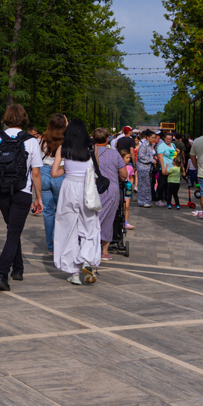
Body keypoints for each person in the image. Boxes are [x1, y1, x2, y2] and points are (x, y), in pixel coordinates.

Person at [0, 104, 43, 291]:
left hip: (1, 190)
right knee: (14, 231)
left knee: (13, 229)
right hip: (22, 191)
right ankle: (2, 273)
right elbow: (35, 172)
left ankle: (18, 268)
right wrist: (39, 197)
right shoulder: (32, 141)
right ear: (24, 118)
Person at [52, 118, 100, 285]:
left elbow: (53, 173)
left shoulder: (63, 148)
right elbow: (95, 169)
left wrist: (66, 169)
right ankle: (87, 260)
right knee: (90, 226)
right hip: (86, 188)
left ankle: (73, 273)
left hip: (68, 188)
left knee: (68, 229)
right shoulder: (90, 149)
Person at [92, 128, 127, 261]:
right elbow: (124, 174)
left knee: (91, 217)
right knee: (108, 219)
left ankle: (89, 246)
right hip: (110, 190)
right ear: (107, 139)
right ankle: (104, 251)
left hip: (92, 188)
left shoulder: (88, 153)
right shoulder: (114, 154)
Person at [39, 114, 67, 255]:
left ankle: (50, 247)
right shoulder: (66, 140)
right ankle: (58, 242)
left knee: (48, 213)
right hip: (60, 173)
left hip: (44, 172)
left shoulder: (43, 139)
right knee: (60, 211)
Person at [136, 130, 156, 208]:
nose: (154, 139)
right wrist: (152, 160)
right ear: (148, 137)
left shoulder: (149, 145)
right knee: (144, 185)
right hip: (143, 168)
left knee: (146, 185)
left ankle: (145, 201)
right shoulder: (144, 145)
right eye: (153, 137)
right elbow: (141, 157)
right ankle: (143, 201)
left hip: (147, 168)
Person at [156, 132, 175, 206]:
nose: (168, 140)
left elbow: (173, 155)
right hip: (164, 167)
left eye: (170, 139)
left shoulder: (173, 145)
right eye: (167, 138)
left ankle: (168, 199)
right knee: (162, 184)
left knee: (169, 185)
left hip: (172, 168)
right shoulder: (161, 146)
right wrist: (163, 168)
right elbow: (160, 157)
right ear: (164, 138)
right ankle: (159, 199)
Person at [121, 150, 135, 230]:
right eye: (127, 157)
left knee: (127, 206)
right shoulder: (119, 167)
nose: (129, 159)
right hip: (120, 187)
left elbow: (132, 177)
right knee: (120, 206)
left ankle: (126, 222)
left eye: (129, 157)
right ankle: (121, 221)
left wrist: (131, 185)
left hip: (127, 189)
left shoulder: (130, 167)